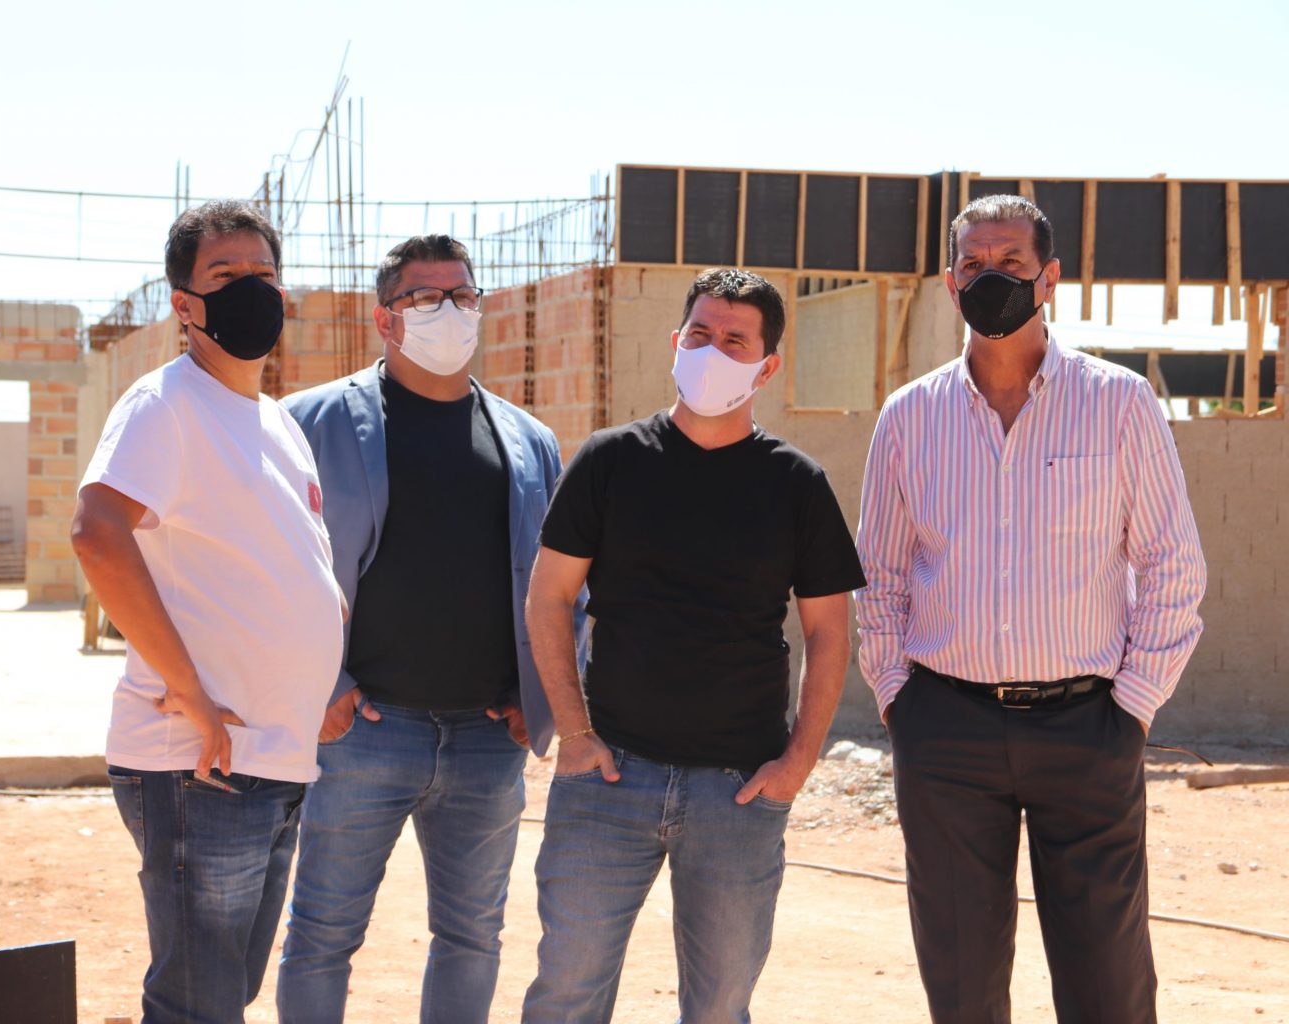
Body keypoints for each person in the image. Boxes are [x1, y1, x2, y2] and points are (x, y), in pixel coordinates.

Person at [854, 194, 1208, 1024]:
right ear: (951, 284)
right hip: (946, 732)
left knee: (1109, 983)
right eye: (973, 265)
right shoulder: (910, 417)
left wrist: (1133, 706)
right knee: (962, 983)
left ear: (1049, 278)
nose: (991, 278)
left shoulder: (1119, 403)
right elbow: (878, 576)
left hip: (1088, 728)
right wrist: (901, 701)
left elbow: (1172, 564)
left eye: (1011, 263)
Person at [521, 268, 864, 1023]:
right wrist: (574, 736)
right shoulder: (610, 460)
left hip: (738, 791)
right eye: (700, 334)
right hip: (608, 778)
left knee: (719, 1009)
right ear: (676, 341)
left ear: (767, 366)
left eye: (735, 340)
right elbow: (547, 598)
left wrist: (798, 763)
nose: (712, 350)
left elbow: (828, 631)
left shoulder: (797, 484)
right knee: (566, 995)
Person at [276, 234, 575, 1023]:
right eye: (428, 297)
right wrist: (323, 687)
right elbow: (272, 568)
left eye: (464, 296)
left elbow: (563, 585)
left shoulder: (529, 440)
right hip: (363, 732)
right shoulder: (310, 422)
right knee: (322, 935)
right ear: (386, 318)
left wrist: (539, 697)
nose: (452, 311)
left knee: (473, 937)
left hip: (487, 738)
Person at [71, 201, 344, 1024]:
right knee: (198, 1003)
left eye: (264, 274)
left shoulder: (276, 423)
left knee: (227, 990)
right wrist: (187, 687)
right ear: (185, 304)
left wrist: (318, 680)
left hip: (274, 757)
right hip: (201, 761)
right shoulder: (165, 404)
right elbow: (97, 533)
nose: (252, 289)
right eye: (226, 275)